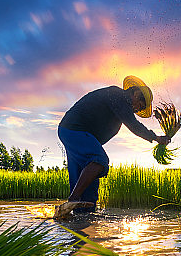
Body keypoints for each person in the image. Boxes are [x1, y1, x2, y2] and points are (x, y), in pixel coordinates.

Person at [54, 75, 171, 219]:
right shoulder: (117, 95)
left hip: (78, 135)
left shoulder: (118, 111)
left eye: (140, 109)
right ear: (135, 93)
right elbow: (133, 125)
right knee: (99, 160)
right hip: (73, 130)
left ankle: (77, 220)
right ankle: (73, 199)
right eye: (140, 105)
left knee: (89, 191)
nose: (137, 109)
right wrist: (156, 138)